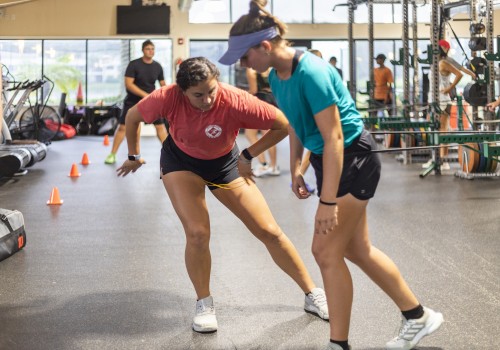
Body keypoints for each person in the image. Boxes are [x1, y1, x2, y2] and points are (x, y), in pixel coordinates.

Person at [219, 1, 444, 349]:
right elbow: (294, 122)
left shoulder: (313, 72)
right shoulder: (278, 77)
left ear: (264, 47)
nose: (243, 65)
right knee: (358, 250)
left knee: (325, 252)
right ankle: (417, 316)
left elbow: (334, 137)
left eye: (245, 57)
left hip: (354, 158)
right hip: (331, 159)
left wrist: (327, 200)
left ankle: (338, 344)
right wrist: (297, 165)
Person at [116, 57, 328, 334]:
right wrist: (133, 156)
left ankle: (312, 293)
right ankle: (204, 303)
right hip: (181, 162)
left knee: (269, 230)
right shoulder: (167, 97)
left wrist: (249, 154)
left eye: (211, 91)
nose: (207, 100)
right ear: (182, 91)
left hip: (225, 164)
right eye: (198, 95)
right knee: (198, 233)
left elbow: (282, 125)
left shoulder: (235, 100)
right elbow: (132, 117)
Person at [105, 40, 168, 164]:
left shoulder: (157, 66)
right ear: (143, 50)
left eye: (152, 49)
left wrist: (163, 96)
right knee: (123, 127)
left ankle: (171, 155)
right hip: (133, 101)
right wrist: (146, 96)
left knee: (160, 127)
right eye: (148, 49)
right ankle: (112, 154)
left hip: (152, 102)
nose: (151, 51)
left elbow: (162, 85)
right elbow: (128, 84)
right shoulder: (134, 65)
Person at [424, 39, 464, 170]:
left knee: (442, 131)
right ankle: (435, 157)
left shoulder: (443, 63)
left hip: (443, 101)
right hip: (434, 100)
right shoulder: (435, 64)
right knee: (432, 129)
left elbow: (459, 74)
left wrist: (449, 88)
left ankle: (443, 160)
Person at [244, 67, 280, 177]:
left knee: (251, 134)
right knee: (268, 135)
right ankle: (270, 166)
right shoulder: (272, 69)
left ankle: (267, 165)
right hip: (272, 100)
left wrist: (243, 95)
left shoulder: (251, 70)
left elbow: (254, 91)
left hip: (259, 102)